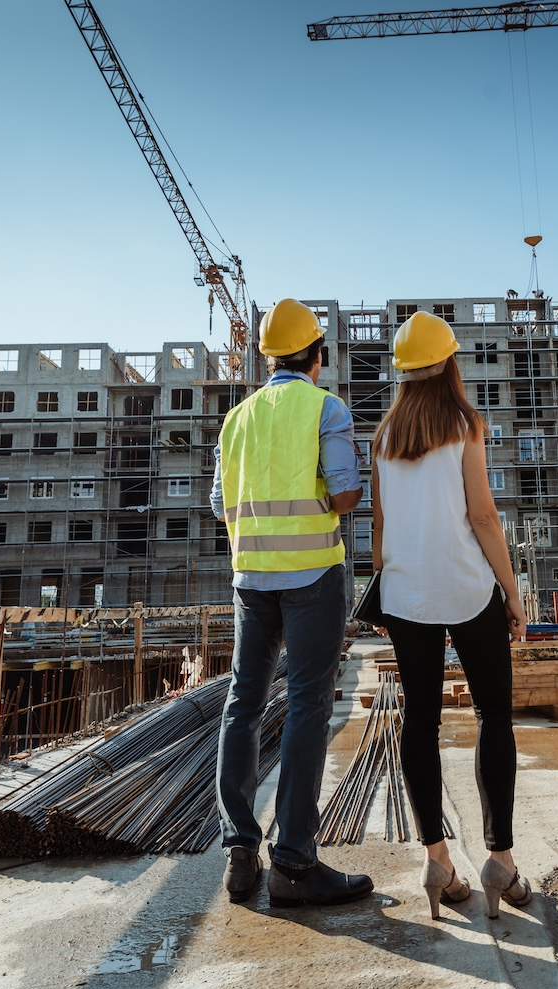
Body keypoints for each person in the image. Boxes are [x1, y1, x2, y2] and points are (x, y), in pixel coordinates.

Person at [211, 297, 372, 908]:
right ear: (318, 356)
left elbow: (220, 506)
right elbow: (348, 495)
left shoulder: (237, 419)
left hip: (251, 581)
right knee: (306, 707)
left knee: (242, 703)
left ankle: (240, 853)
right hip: (312, 577)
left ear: (270, 355)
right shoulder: (326, 408)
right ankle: (295, 865)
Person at [371, 310, 530, 920]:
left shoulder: (384, 435)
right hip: (466, 589)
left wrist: (385, 589)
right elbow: (484, 516)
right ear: (449, 362)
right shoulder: (465, 423)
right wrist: (512, 594)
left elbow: (381, 525)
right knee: (494, 716)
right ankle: (501, 860)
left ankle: (437, 860)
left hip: (407, 594)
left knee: (420, 724)